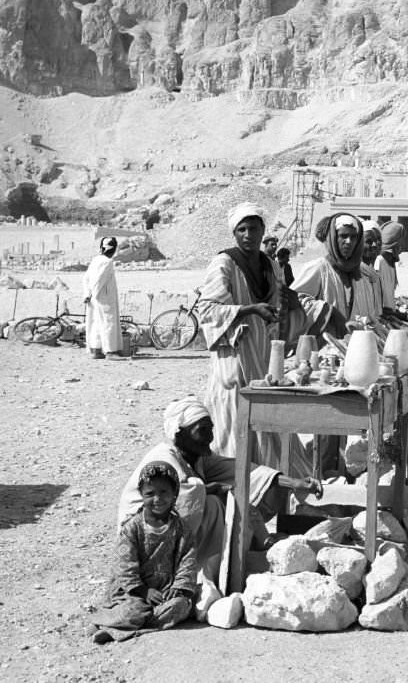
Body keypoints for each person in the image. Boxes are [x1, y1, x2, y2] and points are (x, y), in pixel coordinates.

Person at [118, 397, 319, 585]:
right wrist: (210, 489)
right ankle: (193, 570)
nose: (210, 437)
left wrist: (292, 483)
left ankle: (232, 558)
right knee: (214, 503)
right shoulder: (163, 459)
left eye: (211, 429)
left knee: (236, 494)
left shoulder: (196, 457)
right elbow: (175, 499)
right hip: (145, 536)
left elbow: (243, 471)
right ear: (180, 432)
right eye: (202, 430)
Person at [196, 203, 282, 460]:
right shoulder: (224, 263)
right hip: (235, 357)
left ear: (262, 230)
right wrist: (249, 309)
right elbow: (207, 310)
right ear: (234, 233)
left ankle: (265, 484)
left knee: (266, 426)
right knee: (233, 426)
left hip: (263, 356)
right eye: (241, 229)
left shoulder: (270, 265)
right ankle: (234, 487)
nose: (248, 235)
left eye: (253, 228)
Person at [93, 461, 198, 644]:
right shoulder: (132, 528)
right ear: (141, 495)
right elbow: (124, 565)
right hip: (132, 593)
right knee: (134, 610)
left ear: (175, 493)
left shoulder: (181, 529)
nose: (157, 499)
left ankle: (123, 626)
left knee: (180, 606)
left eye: (164, 492)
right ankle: (106, 622)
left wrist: (178, 587)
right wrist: (143, 590)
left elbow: (187, 560)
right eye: (150, 494)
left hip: (164, 592)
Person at [292, 212, 380, 329]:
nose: (349, 241)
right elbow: (293, 302)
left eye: (353, 237)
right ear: (333, 238)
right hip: (323, 344)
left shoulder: (361, 276)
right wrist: (328, 312)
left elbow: (369, 314)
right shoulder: (318, 268)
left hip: (355, 343)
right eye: (343, 236)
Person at [83, 236, 121, 359]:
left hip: (94, 297)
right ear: (113, 249)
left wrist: (87, 294)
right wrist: (92, 293)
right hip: (104, 298)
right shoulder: (107, 262)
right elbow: (100, 280)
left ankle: (96, 350)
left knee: (96, 323)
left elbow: (86, 278)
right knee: (108, 323)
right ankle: (110, 352)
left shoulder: (95, 260)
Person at [376, 221, 405, 315]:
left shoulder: (391, 263)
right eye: (402, 240)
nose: (403, 244)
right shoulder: (379, 262)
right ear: (395, 243)